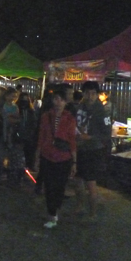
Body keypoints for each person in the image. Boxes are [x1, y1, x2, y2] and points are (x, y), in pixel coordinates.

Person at [37, 89, 77, 229]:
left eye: (61, 99)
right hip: (48, 156)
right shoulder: (46, 116)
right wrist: (38, 156)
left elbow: (72, 140)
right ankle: (52, 213)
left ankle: (55, 209)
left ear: (66, 102)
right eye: (56, 99)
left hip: (64, 157)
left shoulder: (70, 118)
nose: (58, 102)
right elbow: (41, 136)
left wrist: (74, 161)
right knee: (49, 186)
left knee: (59, 187)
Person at [73, 81, 112, 221]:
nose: (90, 96)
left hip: (93, 150)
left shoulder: (102, 111)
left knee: (90, 183)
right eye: (87, 93)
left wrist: (89, 136)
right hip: (79, 148)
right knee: (77, 180)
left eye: (93, 93)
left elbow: (107, 134)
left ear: (97, 94)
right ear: (83, 93)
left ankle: (93, 213)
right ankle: (80, 206)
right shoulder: (79, 107)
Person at [16, 92, 38, 171]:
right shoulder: (17, 109)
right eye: (23, 100)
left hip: (28, 136)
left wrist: (31, 133)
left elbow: (34, 123)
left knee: (28, 154)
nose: (24, 102)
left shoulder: (31, 111)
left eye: (26, 100)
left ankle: (27, 169)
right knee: (18, 156)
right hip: (18, 136)